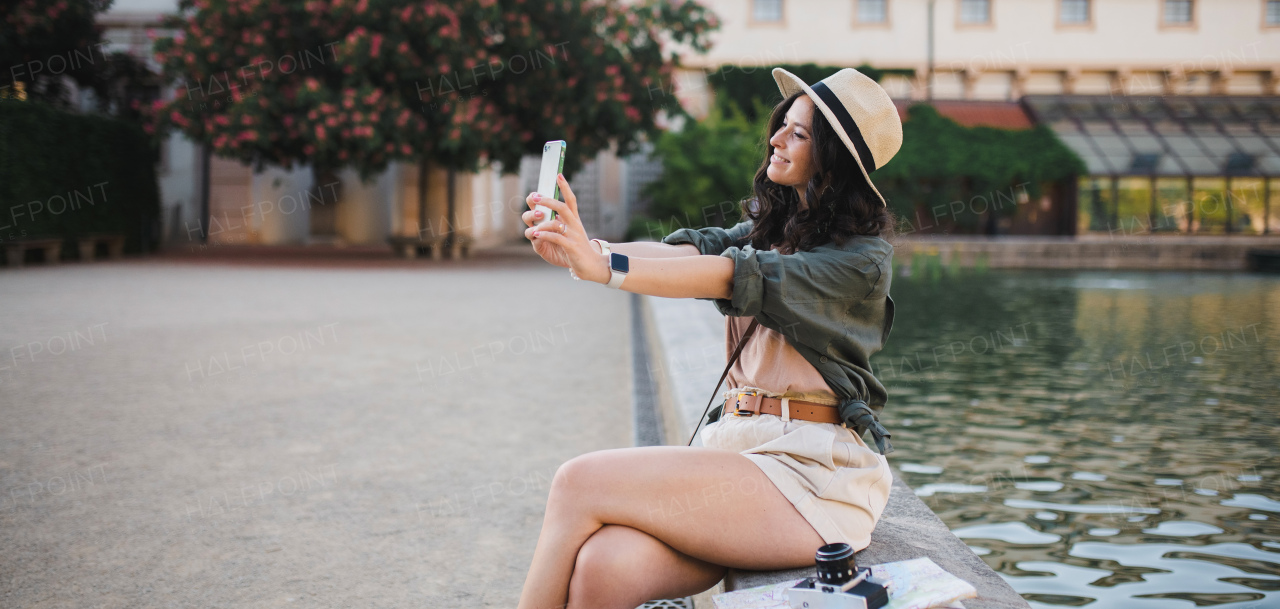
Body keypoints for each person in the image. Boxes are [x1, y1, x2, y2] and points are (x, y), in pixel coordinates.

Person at [515, 67, 903, 609]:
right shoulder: (779, 229)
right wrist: (588, 250)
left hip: (810, 476)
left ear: (834, 161)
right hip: (738, 452)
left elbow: (730, 276)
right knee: (605, 569)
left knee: (578, 481)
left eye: (798, 133)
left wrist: (603, 267)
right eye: (781, 126)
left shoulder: (860, 260)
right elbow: (696, 254)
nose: (775, 138)